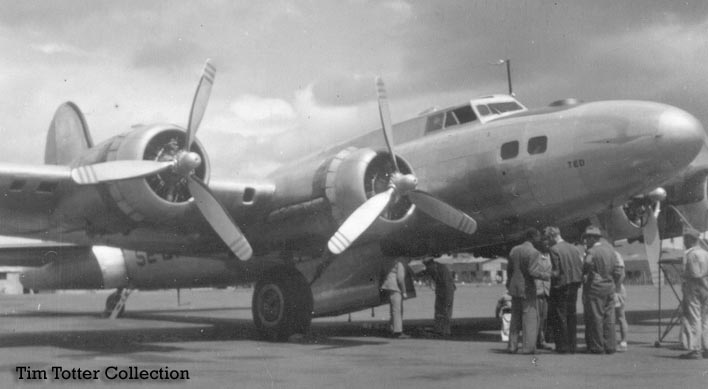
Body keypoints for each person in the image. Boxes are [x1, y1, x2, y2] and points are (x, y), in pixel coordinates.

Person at [506, 228, 551, 354]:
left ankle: (512, 346)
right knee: (530, 319)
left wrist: (509, 283)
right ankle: (528, 348)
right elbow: (532, 271)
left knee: (515, 318)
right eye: (538, 237)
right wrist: (546, 275)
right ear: (532, 237)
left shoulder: (514, 250)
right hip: (527, 289)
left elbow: (509, 269)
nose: (539, 240)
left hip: (515, 289)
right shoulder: (534, 252)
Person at [581, 226, 623, 354]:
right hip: (609, 287)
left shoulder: (592, 252)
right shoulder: (611, 250)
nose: (585, 241)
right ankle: (610, 346)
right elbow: (618, 270)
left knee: (596, 317)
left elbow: (586, 265)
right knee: (609, 317)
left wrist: (585, 272)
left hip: (595, 287)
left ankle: (597, 347)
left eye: (587, 238)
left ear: (593, 238)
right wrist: (612, 281)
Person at [544, 226, 584, 354]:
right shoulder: (574, 247)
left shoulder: (554, 249)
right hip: (574, 285)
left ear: (551, 236)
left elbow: (556, 271)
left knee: (560, 316)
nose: (547, 241)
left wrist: (544, 274)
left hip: (561, 286)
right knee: (571, 315)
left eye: (547, 238)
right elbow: (579, 266)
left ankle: (562, 346)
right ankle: (572, 345)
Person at [679, 228, 708, 359]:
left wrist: (683, 275)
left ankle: (695, 349)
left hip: (694, 287)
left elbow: (695, 274)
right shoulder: (705, 253)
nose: (684, 241)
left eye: (686, 239)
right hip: (706, 288)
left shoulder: (691, 255)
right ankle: (706, 346)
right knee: (705, 318)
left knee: (694, 317)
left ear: (691, 239)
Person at [421, 258, 456, 337]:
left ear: (431, 263)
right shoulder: (435, 268)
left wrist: (444, 296)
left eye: (427, 265)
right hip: (441, 291)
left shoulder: (440, 268)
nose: (427, 267)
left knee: (446, 311)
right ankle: (439, 329)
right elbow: (425, 273)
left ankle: (446, 331)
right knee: (439, 311)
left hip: (446, 292)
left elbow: (447, 284)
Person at [381, 259, 408, 338]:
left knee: (393, 309)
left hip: (388, 286)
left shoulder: (390, 261)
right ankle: (398, 331)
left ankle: (392, 328)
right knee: (397, 310)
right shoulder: (400, 264)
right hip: (395, 287)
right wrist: (404, 292)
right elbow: (400, 279)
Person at [535, 249, 553, 350]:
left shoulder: (550, 256)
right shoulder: (535, 255)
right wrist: (546, 276)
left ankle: (541, 340)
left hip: (547, 290)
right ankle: (538, 340)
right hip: (537, 289)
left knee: (544, 317)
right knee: (537, 316)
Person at [614, 251, 629, 352]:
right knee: (620, 317)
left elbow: (622, 274)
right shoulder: (616, 254)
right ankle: (615, 341)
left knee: (620, 317)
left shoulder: (615, 254)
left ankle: (623, 341)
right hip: (615, 289)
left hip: (616, 290)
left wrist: (616, 289)